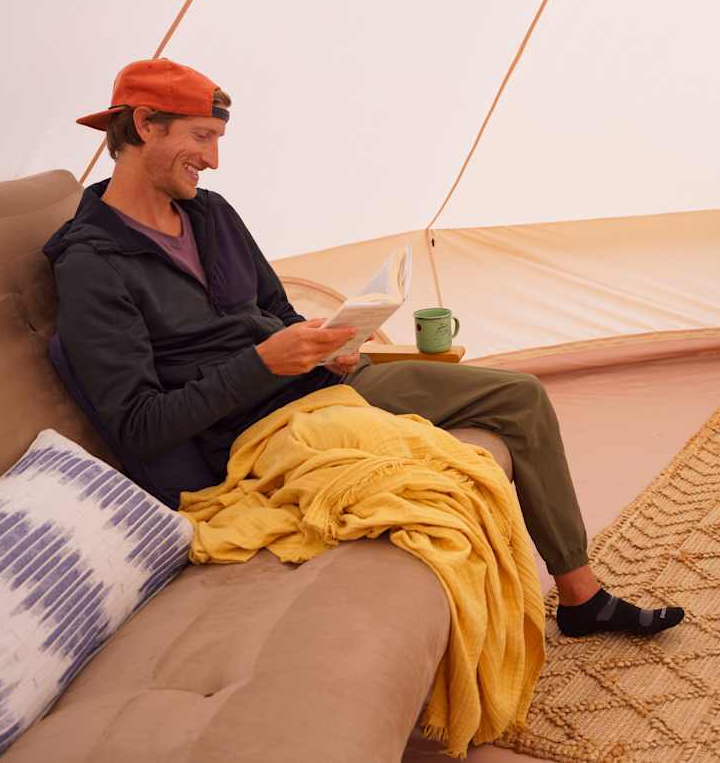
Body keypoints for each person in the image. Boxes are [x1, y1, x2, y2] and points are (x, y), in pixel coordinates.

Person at [45, 58, 684, 639]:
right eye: (201, 138)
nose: (212, 161)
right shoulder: (91, 265)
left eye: (216, 141)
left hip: (315, 384)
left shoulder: (212, 215)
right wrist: (263, 363)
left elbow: (274, 311)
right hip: (255, 432)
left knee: (520, 395)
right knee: (455, 482)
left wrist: (328, 342)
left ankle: (580, 598)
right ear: (145, 125)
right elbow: (139, 425)